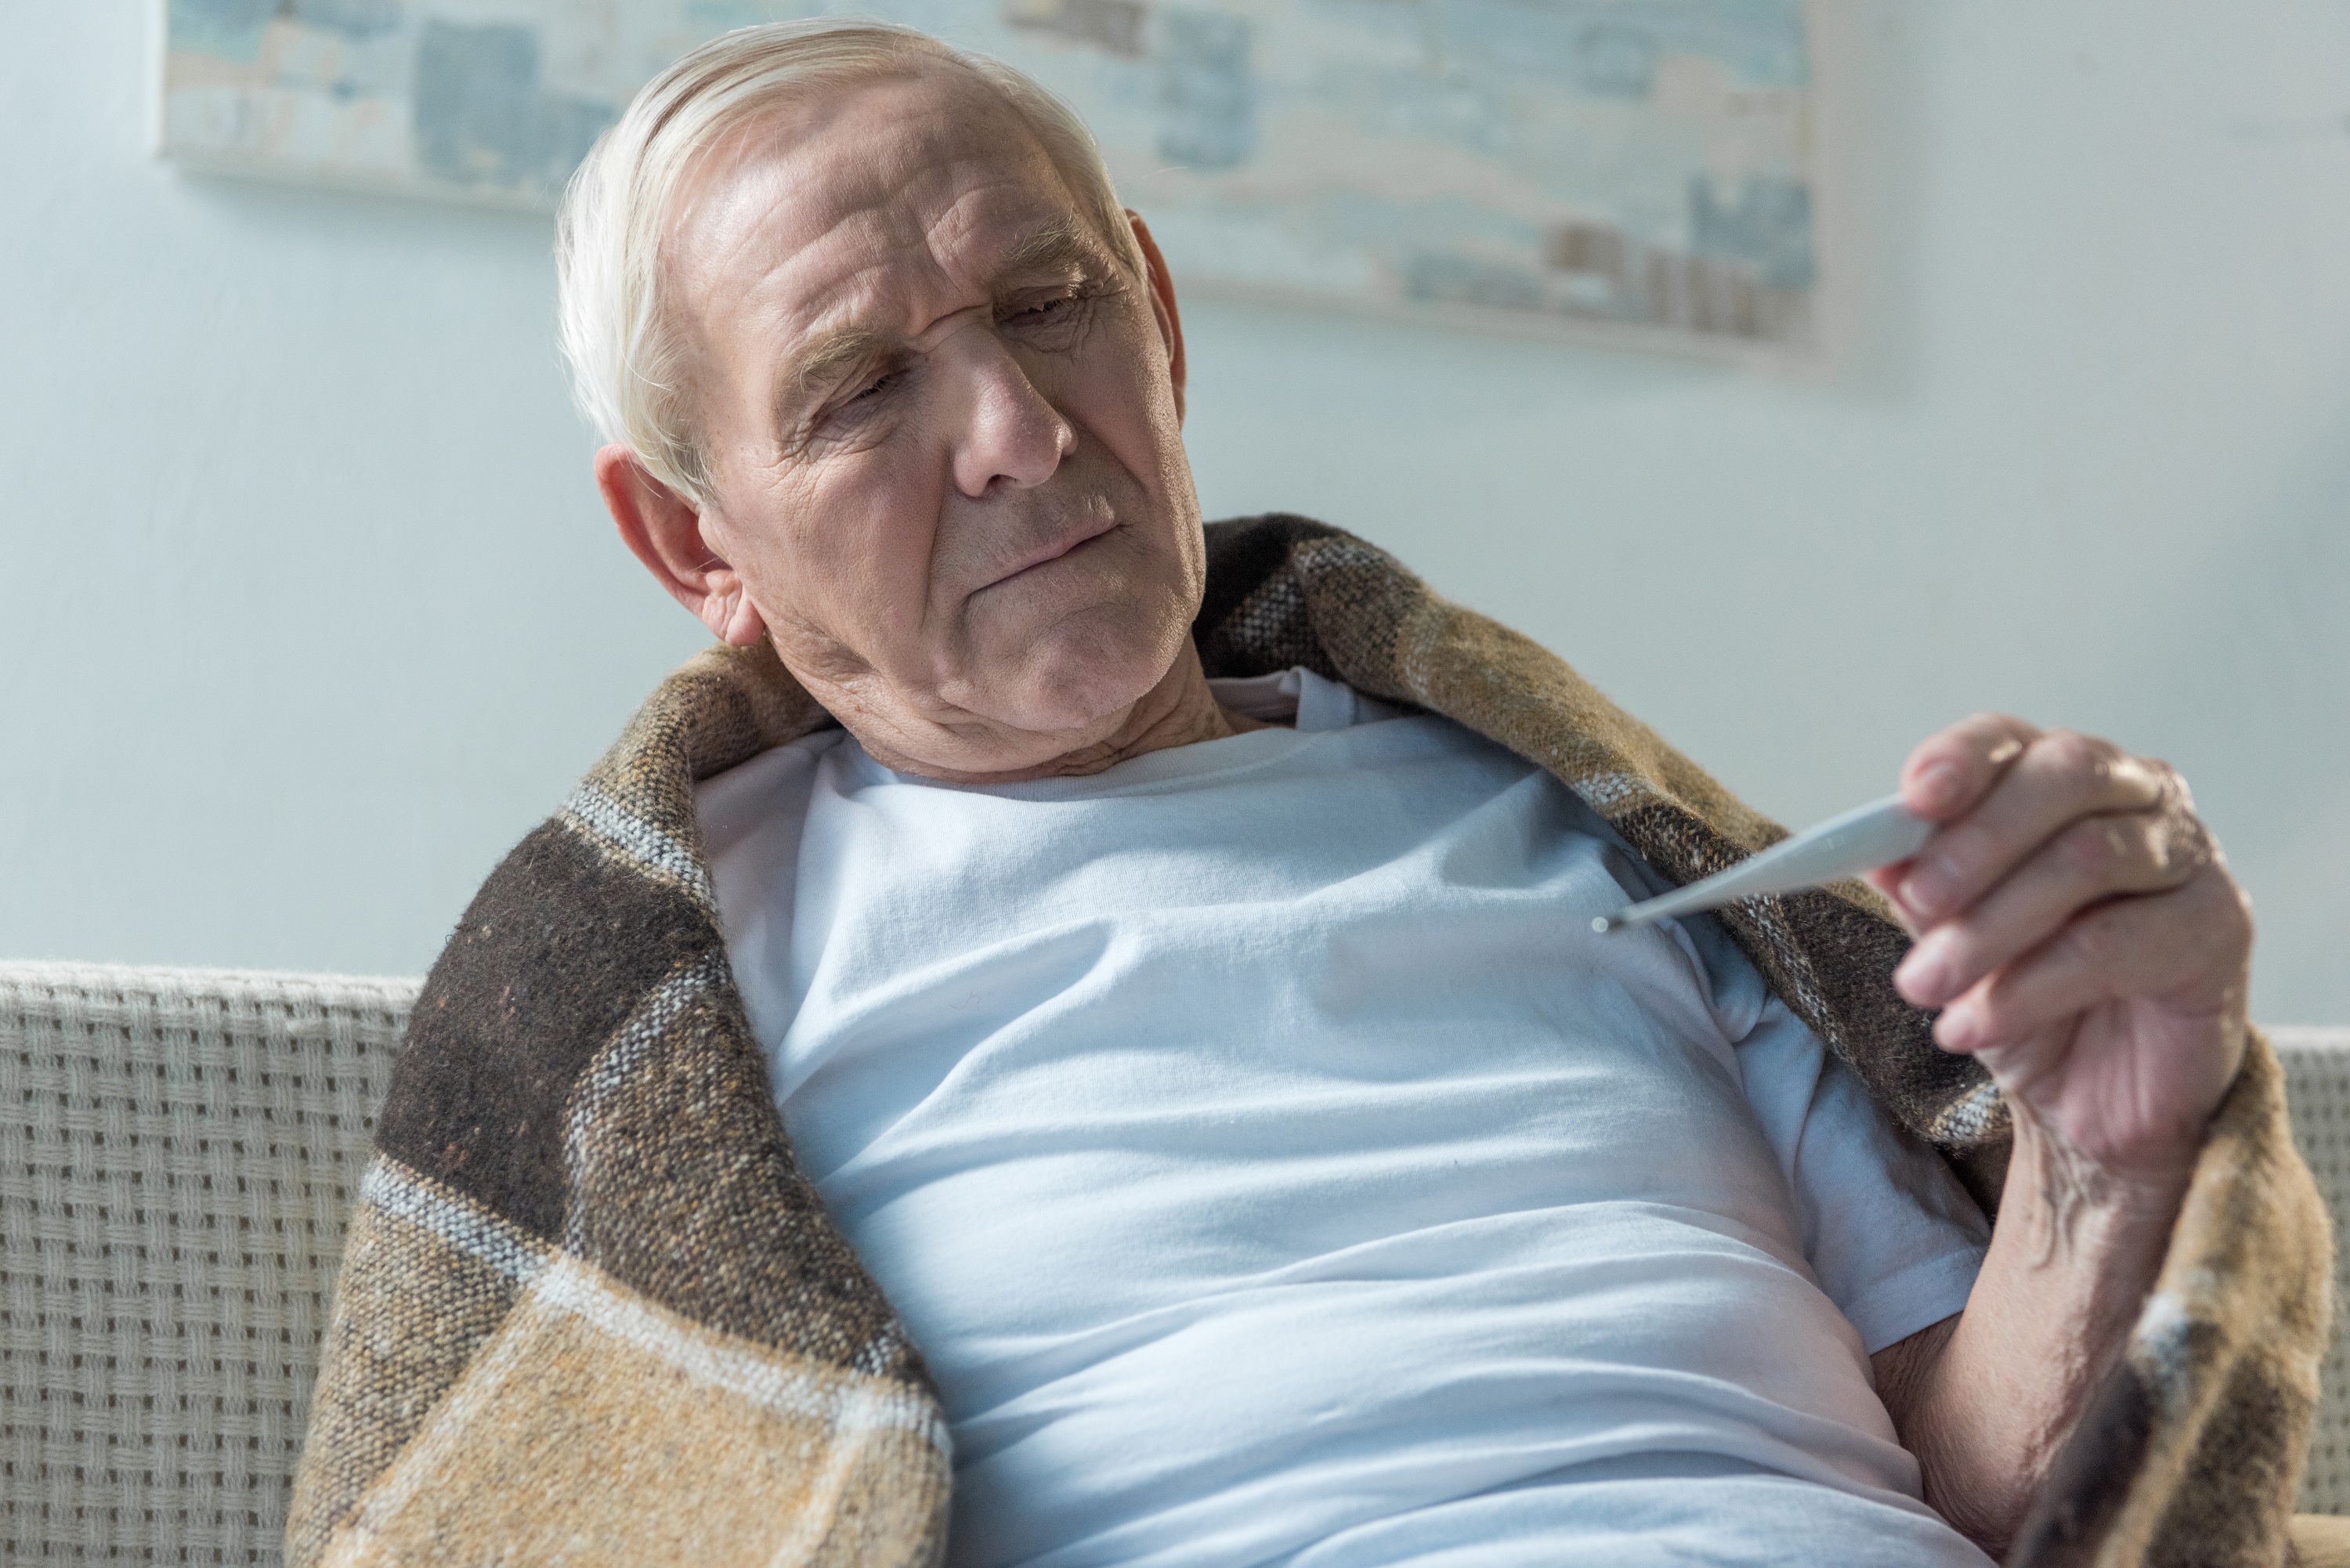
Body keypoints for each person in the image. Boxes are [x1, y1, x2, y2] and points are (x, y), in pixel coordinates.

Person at [285, 21, 2326, 1568]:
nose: (1009, 425)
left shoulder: (1573, 828)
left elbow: (1982, 1470)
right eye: (857, 388)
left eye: (1049, 302)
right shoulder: (676, 989)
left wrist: (2100, 1156)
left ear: (1158, 323)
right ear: (692, 540)